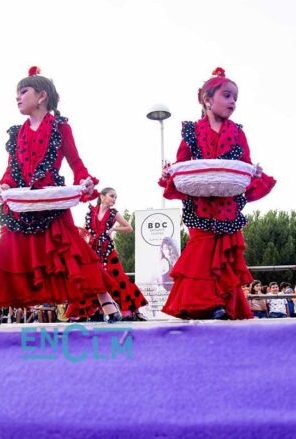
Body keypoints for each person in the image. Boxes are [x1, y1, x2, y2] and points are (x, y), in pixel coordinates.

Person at [0, 67, 120, 326]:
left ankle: (106, 301)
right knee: (7, 251)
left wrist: (85, 181)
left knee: (73, 252)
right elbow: (11, 171)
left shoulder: (60, 127)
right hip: (22, 207)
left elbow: (75, 162)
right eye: (17, 93)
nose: (18, 98)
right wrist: (2, 186)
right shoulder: (16, 132)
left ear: (42, 96)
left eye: (24, 92)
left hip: (52, 203)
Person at [159, 67, 276, 320]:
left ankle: (223, 307)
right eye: (227, 95)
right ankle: (205, 305)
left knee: (225, 256)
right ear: (207, 99)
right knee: (201, 250)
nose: (233, 102)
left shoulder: (238, 132)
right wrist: (170, 173)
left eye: (235, 97)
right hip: (198, 206)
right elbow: (182, 164)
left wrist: (254, 172)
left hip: (228, 207)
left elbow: (245, 163)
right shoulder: (190, 130)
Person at [66, 187, 148, 321]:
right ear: (102, 197)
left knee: (119, 278)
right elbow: (85, 231)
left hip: (108, 251)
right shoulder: (90, 212)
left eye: (116, 197)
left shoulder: (113, 213)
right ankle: (83, 312)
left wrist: (113, 228)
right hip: (92, 252)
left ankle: (131, 310)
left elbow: (129, 227)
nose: (114, 199)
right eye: (112, 196)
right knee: (88, 280)